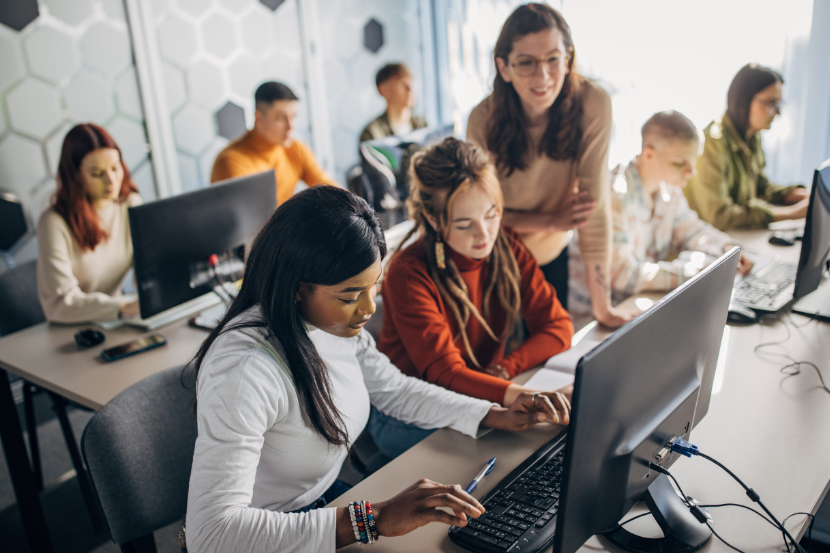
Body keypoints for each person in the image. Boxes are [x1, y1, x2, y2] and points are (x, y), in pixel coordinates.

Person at [184, 185, 571, 553]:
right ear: (298, 287)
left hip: (317, 507)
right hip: (260, 534)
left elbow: (393, 389)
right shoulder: (245, 371)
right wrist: (375, 518)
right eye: (351, 295)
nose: (369, 309)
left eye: (374, 287)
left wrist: (492, 413)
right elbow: (213, 534)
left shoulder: (326, 321)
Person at [374, 137, 574, 458]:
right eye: (465, 224)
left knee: (537, 443)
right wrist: (526, 396)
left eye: (491, 215)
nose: (484, 235)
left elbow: (558, 326)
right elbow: (447, 374)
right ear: (434, 220)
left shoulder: (505, 244)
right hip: (408, 413)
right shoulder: (407, 273)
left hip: (479, 393)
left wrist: (506, 369)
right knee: (513, 452)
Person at [466, 3, 634, 329]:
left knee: (551, 359)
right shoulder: (482, 119)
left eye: (553, 60)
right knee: (503, 365)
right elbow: (477, 217)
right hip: (493, 263)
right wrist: (551, 220)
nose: (543, 76)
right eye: (526, 63)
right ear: (504, 67)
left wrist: (604, 308)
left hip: (551, 257)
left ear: (568, 58)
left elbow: (592, 209)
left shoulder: (593, 104)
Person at [568, 111, 754, 328]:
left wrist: (726, 248)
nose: (691, 171)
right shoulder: (614, 195)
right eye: (679, 162)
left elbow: (690, 229)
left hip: (640, 306)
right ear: (648, 155)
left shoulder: (669, 190)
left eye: (694, 161)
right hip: (595, 323)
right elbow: (622, 274)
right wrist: (695, 274)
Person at [37, 123, 142, 323]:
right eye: (96, 173)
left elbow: (147, 273)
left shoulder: (131, 203)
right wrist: (124, 307)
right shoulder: (53, 223)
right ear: (76, 175)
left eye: (114, 167)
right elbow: (60, 304)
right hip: (75, 328)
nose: (111, 181)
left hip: (116, 321)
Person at [683, 63, 808, 230]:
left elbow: (760, 187)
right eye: (771, 103)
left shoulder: (752, 136)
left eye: (779, 104)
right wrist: (791, 214)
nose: (777, 113)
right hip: (713, 243)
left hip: (740, 235)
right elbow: (719, 216)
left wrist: (807, 197)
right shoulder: (712, 143)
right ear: (744, 100)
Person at [211, 81, 335, 205]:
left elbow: (333, 192)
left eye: (294, 117)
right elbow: (251, 222)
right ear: (258, 118)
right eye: (281, 118)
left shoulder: (295, 148)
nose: (290, 127)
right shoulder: (232, 161)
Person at [359, 63, 427, 142]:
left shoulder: (423, 126)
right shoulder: (372, 133)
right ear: (383, 90)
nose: (409, 89)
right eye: (402, 83)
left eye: (411, 82)